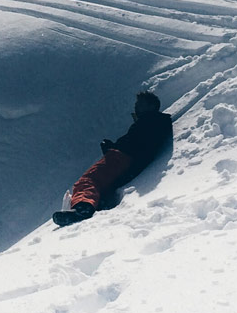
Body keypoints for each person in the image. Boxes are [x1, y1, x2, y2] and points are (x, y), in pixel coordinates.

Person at [53, 91, 173, 227]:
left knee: (89, 180)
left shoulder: (149, 122)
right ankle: (90, 203)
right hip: (121, 157)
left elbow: (135, 144)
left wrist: (115, 149)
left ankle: (83, 209)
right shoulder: (152, 122)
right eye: (136, 104)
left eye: (140, 104)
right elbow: (137, 143)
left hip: (120, 158)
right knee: (94, 181)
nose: (136, 107)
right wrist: (112, 147)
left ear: (151, 106)